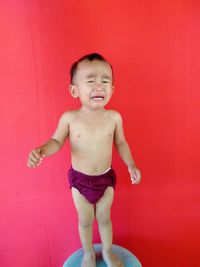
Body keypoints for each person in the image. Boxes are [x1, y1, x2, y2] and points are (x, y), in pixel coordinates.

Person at [27, 53, 141, 267]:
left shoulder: (114, 117)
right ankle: (88, 253)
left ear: (112, 90)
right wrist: (42, 149)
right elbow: (56, 141)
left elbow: (121, 143)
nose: (99, 86)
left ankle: (107, 252)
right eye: (91, 81)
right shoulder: (70, 118)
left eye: (105, 81)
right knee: (86, 221)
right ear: (74, 90)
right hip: (80, 181)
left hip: (105, 179)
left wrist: (131, 164)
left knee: (105, 219)